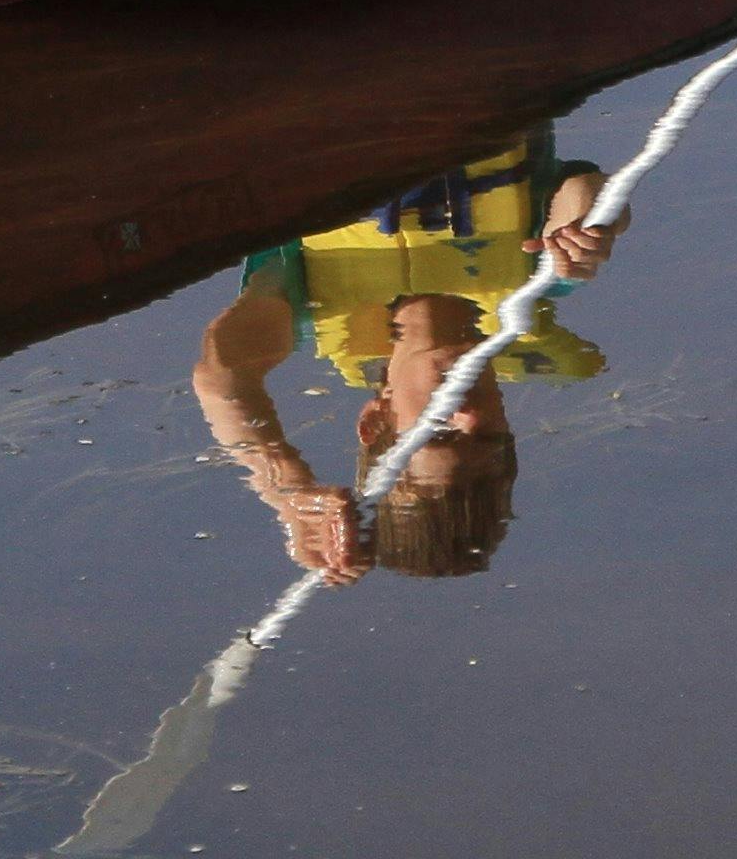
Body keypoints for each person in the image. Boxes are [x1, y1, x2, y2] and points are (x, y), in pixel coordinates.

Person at [191, 132, 621, 582]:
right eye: (490, 436)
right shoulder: (536, 279)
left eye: (440, 435)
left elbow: (221, 379)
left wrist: (286, 488)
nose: (470, 417)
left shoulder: (308, 298)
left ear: (377, 421)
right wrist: (586, 226)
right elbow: (586, 189)